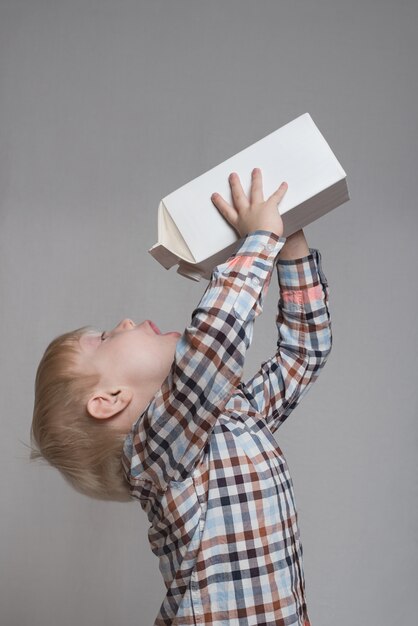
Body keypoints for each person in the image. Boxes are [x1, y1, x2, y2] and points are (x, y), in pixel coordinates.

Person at [31, 167, 332, 625]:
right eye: (110, 336)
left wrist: (288, 244)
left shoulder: (233, 416)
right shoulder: (152, 454)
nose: (128, 321)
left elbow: (304, 352)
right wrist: (260, 240)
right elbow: (211, 346)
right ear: (109, 399)